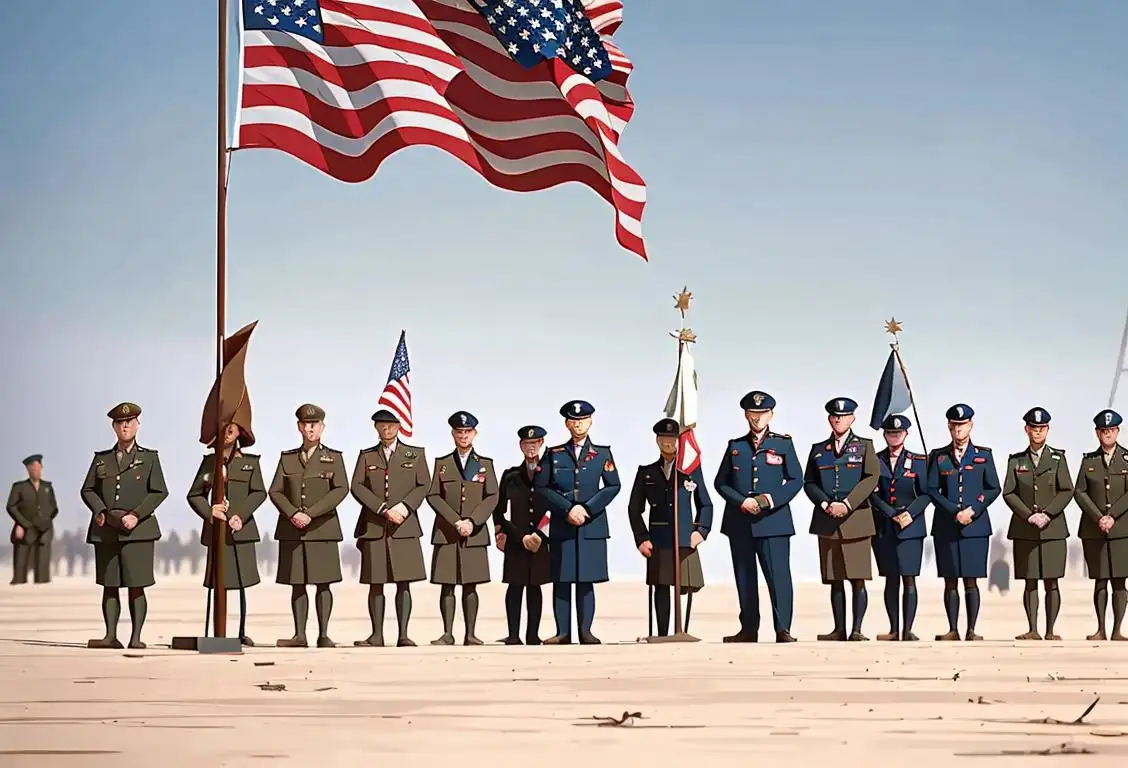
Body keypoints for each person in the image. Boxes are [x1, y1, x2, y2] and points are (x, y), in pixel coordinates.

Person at [714, 390, 802, 642]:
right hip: (739, 522)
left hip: (773, 522)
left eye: (762, 414)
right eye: (753, 414)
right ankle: (748, 629)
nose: (757, 418)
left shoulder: (783, 444)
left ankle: (782, 628)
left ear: (771, 414)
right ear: (745, 414)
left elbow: (796, 480)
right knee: (744, 577)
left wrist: (766, 501)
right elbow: (721, 483)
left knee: (779, 576)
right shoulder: (735, 446)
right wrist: (742, 501)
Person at [80, 402, 169, 649]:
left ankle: (136, 637)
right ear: (114, 427)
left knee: (136, 585)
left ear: (138, 424)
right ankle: (110, 636)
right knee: (109, 585)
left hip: (138, 532)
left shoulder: (149, 458)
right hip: (107, 530)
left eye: (130, 421)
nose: (125, 426)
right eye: (120, 423)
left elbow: (159, 491)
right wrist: (99, 510)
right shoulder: (102, 460)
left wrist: (137, 515)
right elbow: (87, 489)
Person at [536, 400, 622, 644]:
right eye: (573, 420)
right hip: (563, 525)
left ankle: (586, 631)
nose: (578, 424)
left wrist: (586, 508)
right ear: (566, 423)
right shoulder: (554, 454)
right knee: (562, 579)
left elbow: (613, 486)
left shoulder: (602, 454)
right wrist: (567, 509)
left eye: (583, 420)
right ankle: (563, 632)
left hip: (591, 526)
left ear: (591, 421)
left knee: (586, 580)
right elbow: (542, 488)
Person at [269, 404, 349, 648]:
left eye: (314, 424)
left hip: (322, 529)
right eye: (305, 424)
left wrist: (311, 514)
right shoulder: (288, 458)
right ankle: (299, 635)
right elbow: (275, 490)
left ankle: (324, 634)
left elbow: (341, 489)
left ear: (322, 427)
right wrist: (293, 513)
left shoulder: (333, 458)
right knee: (298, 583)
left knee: (324, 583)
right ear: (299, 427)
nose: (310, 428)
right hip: (292, 529)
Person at [351, 408, 430, 647]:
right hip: (375, 525)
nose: (387, 429)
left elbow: (423, 484)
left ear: (399, 426)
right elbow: (357, 486)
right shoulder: (367, 456)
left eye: (391, 425)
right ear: (376, 428)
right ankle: (376, 635)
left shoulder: (414, 454)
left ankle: (403, 634)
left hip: (404, 527)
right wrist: (382, 508)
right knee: (376, 583)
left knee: (403, 582)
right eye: (382, 425)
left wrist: (404, 508)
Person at [803, 398, 880, 641]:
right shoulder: (818, 449)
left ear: (852, 419)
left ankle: (857, 630)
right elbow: (809, 482)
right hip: (827, 522)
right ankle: (839, 629)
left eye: (844, 416)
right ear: (829, 419)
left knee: (857, 578)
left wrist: (847, 504)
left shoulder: (865, 446)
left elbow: (871, 477)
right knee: (835, 579)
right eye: (835, 416)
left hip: (856, 520)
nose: (838, 419)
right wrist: (826, 503)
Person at [628, 418, 713, 636]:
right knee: (661, 586)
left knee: (685, 585)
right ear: (657, 440)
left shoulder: (691, 470)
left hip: (684, 538)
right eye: (663, 437)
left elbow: (706, 503)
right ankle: (663, 633)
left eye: (672, 437)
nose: (667, 442)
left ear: (679, 440)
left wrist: (701, 531)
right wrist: (641, 538)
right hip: (658, 539)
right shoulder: (646, 472)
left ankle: (682, 630)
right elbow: (634, 509)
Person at [186, 423, 267, 646]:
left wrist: (241, 516)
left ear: (240, 431)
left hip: (242, 531)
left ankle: (241, 631)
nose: (228, 433)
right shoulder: (210, 463)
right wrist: (209, 512)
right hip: (217, 532)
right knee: (217, 583)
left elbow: (259, 492)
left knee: (242, 583)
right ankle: (216, 633)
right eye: (224, 428)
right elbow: (194, 495)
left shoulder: (250, 463)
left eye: (232, 428)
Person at [926, 403, 1000, 641]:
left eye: (962, 424)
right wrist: (953, 511)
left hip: (975, 527)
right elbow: (931, 489)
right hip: (947, 526)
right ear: (949, 426)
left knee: (971, 579)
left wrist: (974, 509)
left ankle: (971, 630)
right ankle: (953, 629)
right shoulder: (938, 456)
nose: (958, 429)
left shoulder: (983, 455)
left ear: (971, 425)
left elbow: (993, 488)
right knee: (950, 580)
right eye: (954, 425)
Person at [425, 411, 498, 645]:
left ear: (474, 433)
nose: (463, 436)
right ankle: (447, 633)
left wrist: (473, 521)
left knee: (470, 585)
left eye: (467, 432)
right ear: (453, 434)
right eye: (459, 432)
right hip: (447, 532)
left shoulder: (485, 465)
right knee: (447, 585)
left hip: (474, 534)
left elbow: (492, 496)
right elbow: (434, 495)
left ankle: (470, 634)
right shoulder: (442, 464)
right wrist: (455, 520)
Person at [1002, 407, 1073, 641]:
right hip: (1025, 529)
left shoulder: (1057, 459)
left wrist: (1047, 514)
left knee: (1052, 581)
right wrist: (1028, 515)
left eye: (1042, 428)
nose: (1037, 432)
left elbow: (1067, 490)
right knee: (1030, 581)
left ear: (1048, 430)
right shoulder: (1016, 460)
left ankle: (1051, 630)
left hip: (1053, 530)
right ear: (1026, 430)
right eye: (1033, 428)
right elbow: (1009, 492)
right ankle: (1032, 629)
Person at [869, 415, 930, 641]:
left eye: (898, 433)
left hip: (911, 528)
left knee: (909, 578)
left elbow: (926, 493)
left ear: (906, 434)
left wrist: (910, 514)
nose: (894, 436)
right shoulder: (875, 460)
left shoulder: (920, 460)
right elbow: (872, 494)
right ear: (884, 435)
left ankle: (908, 629)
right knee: (891, 578)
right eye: (890, 433)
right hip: (885, 526)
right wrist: (891, 513)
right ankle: (894, 629)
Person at [492, 425, 552, 645]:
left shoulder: (549, 474)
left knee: (535, 586)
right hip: (516, 541)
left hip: (540, 540)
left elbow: (553, 508)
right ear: (520, 446)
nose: (531, 448)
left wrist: (539, 535)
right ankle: (514, 635)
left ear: (542, 444)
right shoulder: (511, 476)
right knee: (515, 586)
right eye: (527, 444)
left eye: (535, 443)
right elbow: (499, 510)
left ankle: (532, 635)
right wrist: (509, 535)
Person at [1073, 409, 1128, 640]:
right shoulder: (1089, 461)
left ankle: (1117, 630)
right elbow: (1079, 491)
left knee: (1119, 580)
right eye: (1103, 431)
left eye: (1111, 430)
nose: (1107, 434)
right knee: (1100, 579)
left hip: (1122, 530)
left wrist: (1112, 515)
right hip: (1094, 530)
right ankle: (1101, 629)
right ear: (1097, 433)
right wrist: (1098, 517)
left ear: (1118, 431)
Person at [7, 454, 58, 584]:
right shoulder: (19, 487)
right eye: (33, 468)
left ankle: (42, 582)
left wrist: (47, 520)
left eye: (38, 468)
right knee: (21, 558)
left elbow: (54, 507)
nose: (36, 471)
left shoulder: (47, 487)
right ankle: (19, 581)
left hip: (45, 528)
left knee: (43, 559)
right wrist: (21, 523)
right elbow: (11, 507)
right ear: (28, 470)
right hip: (26, 527)